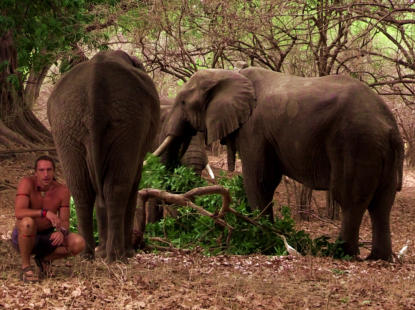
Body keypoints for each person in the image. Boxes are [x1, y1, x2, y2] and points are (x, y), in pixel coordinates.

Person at [12, 155, 85, 282]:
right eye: (41, 170)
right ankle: (26, 267)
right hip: (25, 235)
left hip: (47, 235)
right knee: (27, 222)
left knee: (78, 243)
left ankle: (43, 259)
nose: (46, 174)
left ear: (54, 171)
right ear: (36, 172)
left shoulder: (62, 190)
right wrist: (45, 213)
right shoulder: (27, 183)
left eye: (49, 170)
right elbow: (19, 212)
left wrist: (61, 232)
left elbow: (65, 220)